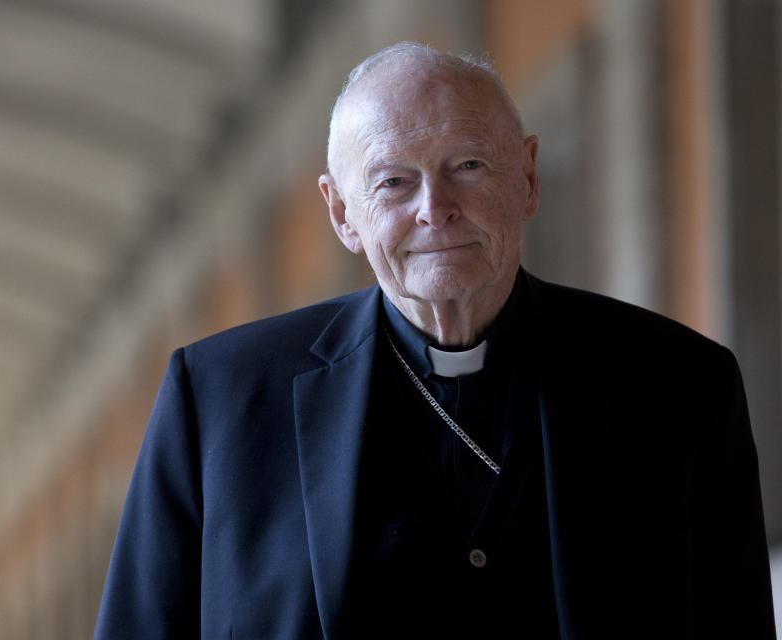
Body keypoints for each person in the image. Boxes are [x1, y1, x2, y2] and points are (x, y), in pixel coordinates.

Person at [94, 42, 775, 639]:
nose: (435, 207)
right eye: (393, 182)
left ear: (528, 177)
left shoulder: (680, 387)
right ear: (342, 213)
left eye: (469, 166)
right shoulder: (217, 401)